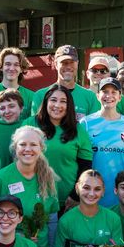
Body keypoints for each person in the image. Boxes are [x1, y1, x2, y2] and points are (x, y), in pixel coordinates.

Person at [0, 125, 61, 247]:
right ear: (15, 148)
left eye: (33, 144)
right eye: (22, 144)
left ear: (41, 148)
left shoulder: (49, 178)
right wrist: (9, 234)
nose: (28, 149)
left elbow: (52, 221)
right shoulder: (0, 178)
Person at [30, 83, 94, 211]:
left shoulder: (78, 130)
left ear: (68, 106)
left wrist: (76, 195)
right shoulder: (30, 124)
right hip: (33, 196)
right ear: (46, 102)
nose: (57, 105)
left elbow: (85, 166)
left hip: (67, 200)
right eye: (53, 100)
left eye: (63, 101)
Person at [83, 77, 124, 208]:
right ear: (98, 96)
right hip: (93, 194)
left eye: (114, 92)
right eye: (105, 92)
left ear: (120, 97)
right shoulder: (86, 123)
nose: (109, 96)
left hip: (121, 197)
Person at [31, 45, 100, 120]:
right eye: (64, 63)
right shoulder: (41, 95)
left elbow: (94, 128)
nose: (68, 66)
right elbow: (35, 128)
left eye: (72, 62)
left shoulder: (90, 97)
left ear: (77, 63)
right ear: (56, 64)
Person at [0, 47, 34, 118]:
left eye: (16, 65)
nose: (11, 68)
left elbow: (32, 125)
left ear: (21, 69)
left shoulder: (31, 96)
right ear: (1, 67)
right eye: (8, 64)